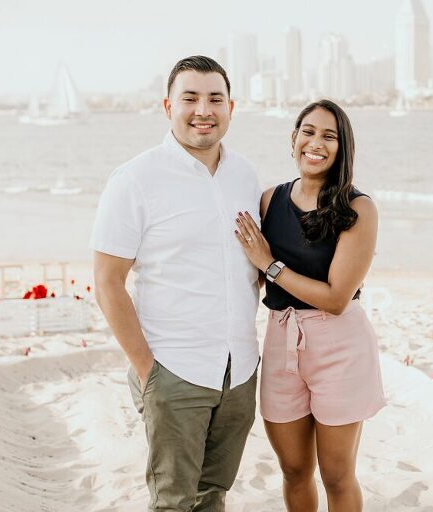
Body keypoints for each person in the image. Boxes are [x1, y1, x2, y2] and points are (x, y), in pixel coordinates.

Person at [91, 55, 261, 512]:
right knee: (172, 502)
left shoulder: (245, 174)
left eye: (215, 99)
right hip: (174, 369)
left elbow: (249, 264)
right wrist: (149, 372)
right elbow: (107, 282)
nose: (203, 110)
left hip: (240, 371)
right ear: (168, 106)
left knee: (213, 496)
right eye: (190, 98)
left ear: (231, 108)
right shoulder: (134, 179)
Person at [233, 99, 386, 511]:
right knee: (294, 470)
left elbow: (336, 298)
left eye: (329, 136)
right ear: (293, 139)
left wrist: (270, 264)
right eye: (309, 132)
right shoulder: (270, 200)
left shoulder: (358, 208)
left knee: (336, 474)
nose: (316, 143)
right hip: (281, 338)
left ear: (342, 147)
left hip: (339, 345)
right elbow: (248, 270)